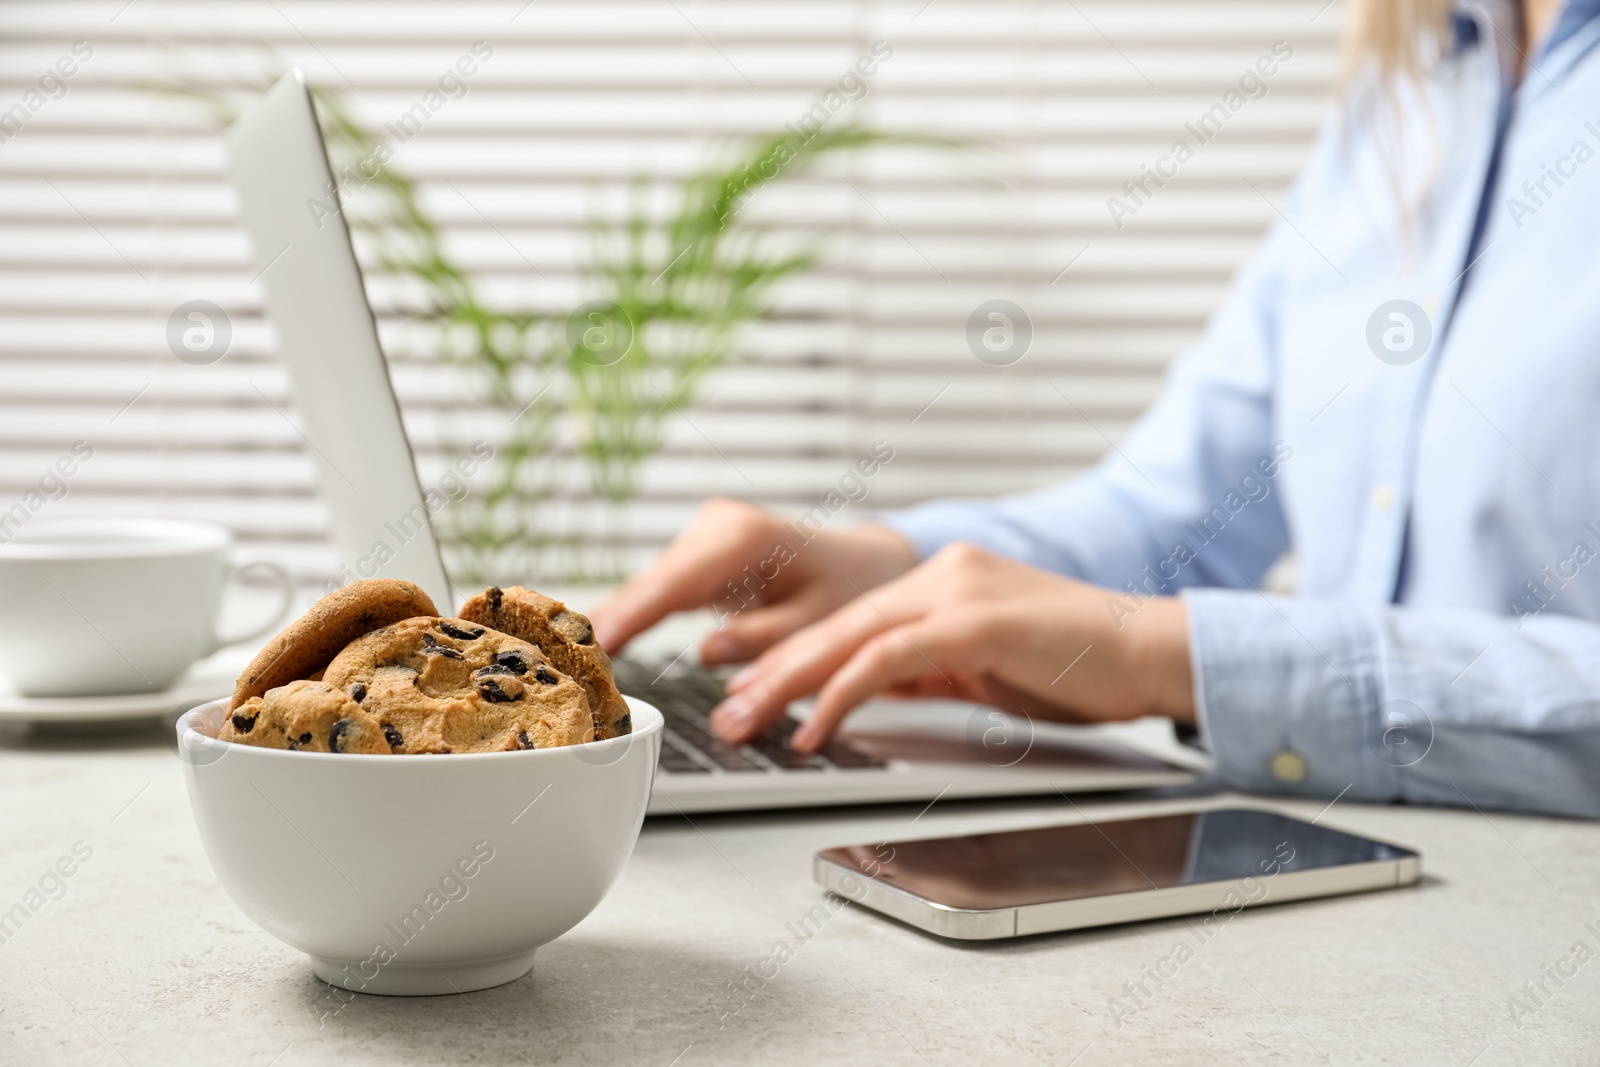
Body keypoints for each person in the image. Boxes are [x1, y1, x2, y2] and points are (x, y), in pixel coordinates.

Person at [590, 0, 1600, 819]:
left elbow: (1162, 633)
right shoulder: (1418, 79)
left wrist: (1176, 659)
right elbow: (1178, 509)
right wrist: (898, 568)